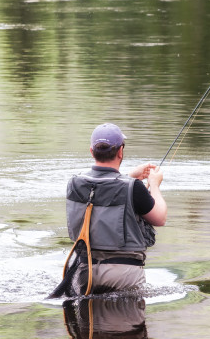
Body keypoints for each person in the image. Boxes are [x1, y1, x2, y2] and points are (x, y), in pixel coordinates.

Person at [65, 122, 167, 295]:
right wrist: (154, 185)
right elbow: (160, 218)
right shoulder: (134, 188)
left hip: (83, 271)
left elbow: (102, 191)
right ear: (120, 151)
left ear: (92, 152)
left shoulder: (75, 184)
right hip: (125, 275)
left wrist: (129, 177)